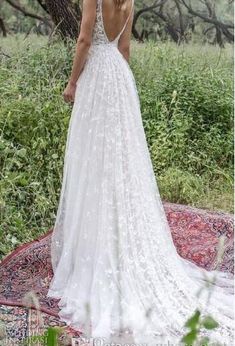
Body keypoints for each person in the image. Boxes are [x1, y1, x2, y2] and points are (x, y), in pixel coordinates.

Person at [47, 0, 234, 344]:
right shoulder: (128, 0)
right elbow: (125, 47)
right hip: (118, 75)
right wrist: (122, 90)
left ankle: (97, 241)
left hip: (97, 76)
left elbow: (84, 40)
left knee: (95, 162)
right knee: (120, 162)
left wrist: (73, 83)